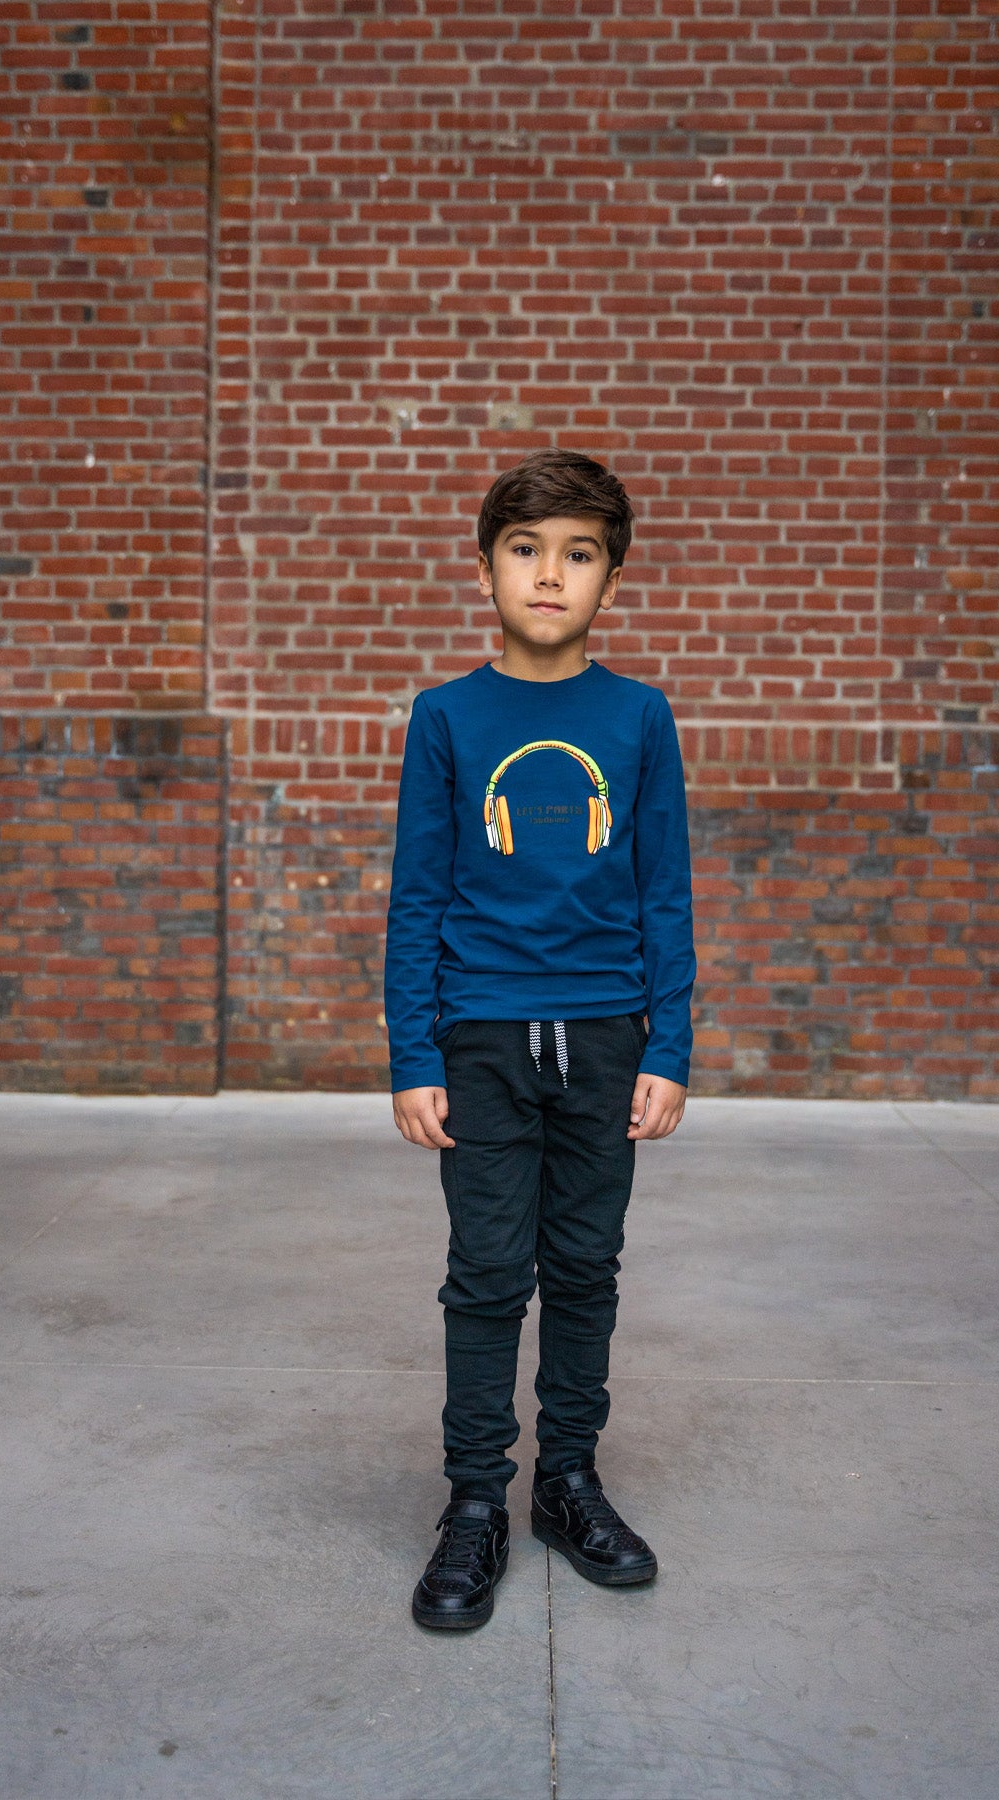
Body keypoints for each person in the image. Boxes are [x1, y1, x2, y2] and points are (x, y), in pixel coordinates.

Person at [383, 449, 697, 1631]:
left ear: (612, 576)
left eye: (579, 554)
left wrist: (669, 1045)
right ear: (486, 570)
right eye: (526, 550)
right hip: (482, 1038)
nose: (550, 575)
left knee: (582, 1268)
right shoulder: (447, 718)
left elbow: (664, 891)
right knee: (485, 1274)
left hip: (608, 1035)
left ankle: (567, 1481)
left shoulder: (639, 718)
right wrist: (415, 1055)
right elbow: (418, 896)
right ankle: (475, 1502)